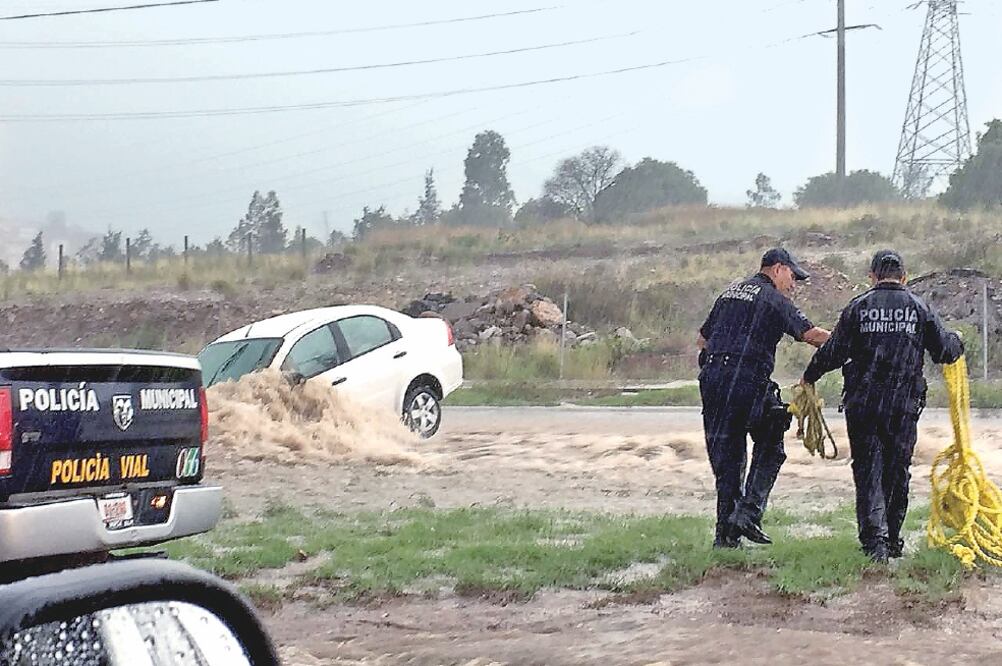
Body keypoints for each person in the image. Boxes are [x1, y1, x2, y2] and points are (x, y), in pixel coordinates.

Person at [802, 249, 963, 562]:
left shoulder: (858, 307)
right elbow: (945, 350)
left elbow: (833, 351)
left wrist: (809, 376)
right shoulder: (919, 307)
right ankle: (892, 541)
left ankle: (874, 544)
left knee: (867, 471)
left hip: (863, 404)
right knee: (896, 471)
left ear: (873, 277)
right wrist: (958, 339)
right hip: (903, 406)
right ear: (903, 276)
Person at [698, 248, 830, 549]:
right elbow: (810, 335)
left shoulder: (729, 293)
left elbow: (702, 340)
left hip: (712, 380)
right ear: (778, 269)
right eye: (793, 276)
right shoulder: (774, 299)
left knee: (729, 461)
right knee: (771, 442)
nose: (793, 284)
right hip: (745, 379)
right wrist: (849, 343)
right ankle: (748, 513)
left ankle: (725, 538)